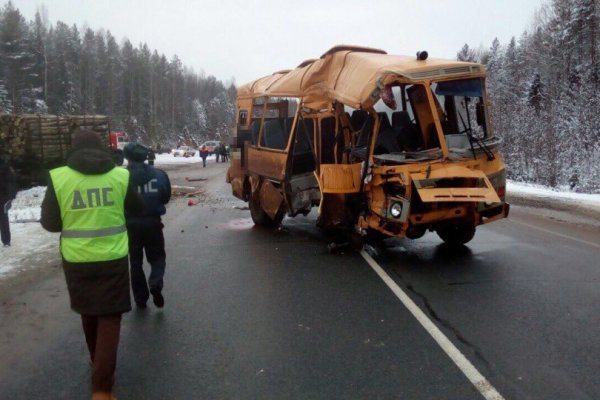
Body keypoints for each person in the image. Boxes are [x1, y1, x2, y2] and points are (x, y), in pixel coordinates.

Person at [41, 130, 144, 400]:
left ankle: (96, 361)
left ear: (72, 149)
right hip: (113, 257)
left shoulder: (59, 177)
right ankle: (101, 389)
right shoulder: (120, 176)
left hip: (77, 260)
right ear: (102, 149)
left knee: (89, 311)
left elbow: (51, 224)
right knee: (110, 317)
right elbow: (137, 209)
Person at [123, 143, 171, 309]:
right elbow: (165, 198)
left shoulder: (121, 177)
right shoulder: (159, 175)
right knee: (157, 258)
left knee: (135, 262)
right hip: (153, 223)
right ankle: (155, 283)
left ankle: (140, 299)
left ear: (127, 158)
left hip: (130, 225)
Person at [0, 155, 18, 247]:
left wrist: (10, 197)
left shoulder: (4, 167)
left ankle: (6, 240)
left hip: (2, 198)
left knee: (3, 219)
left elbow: (10, 182)